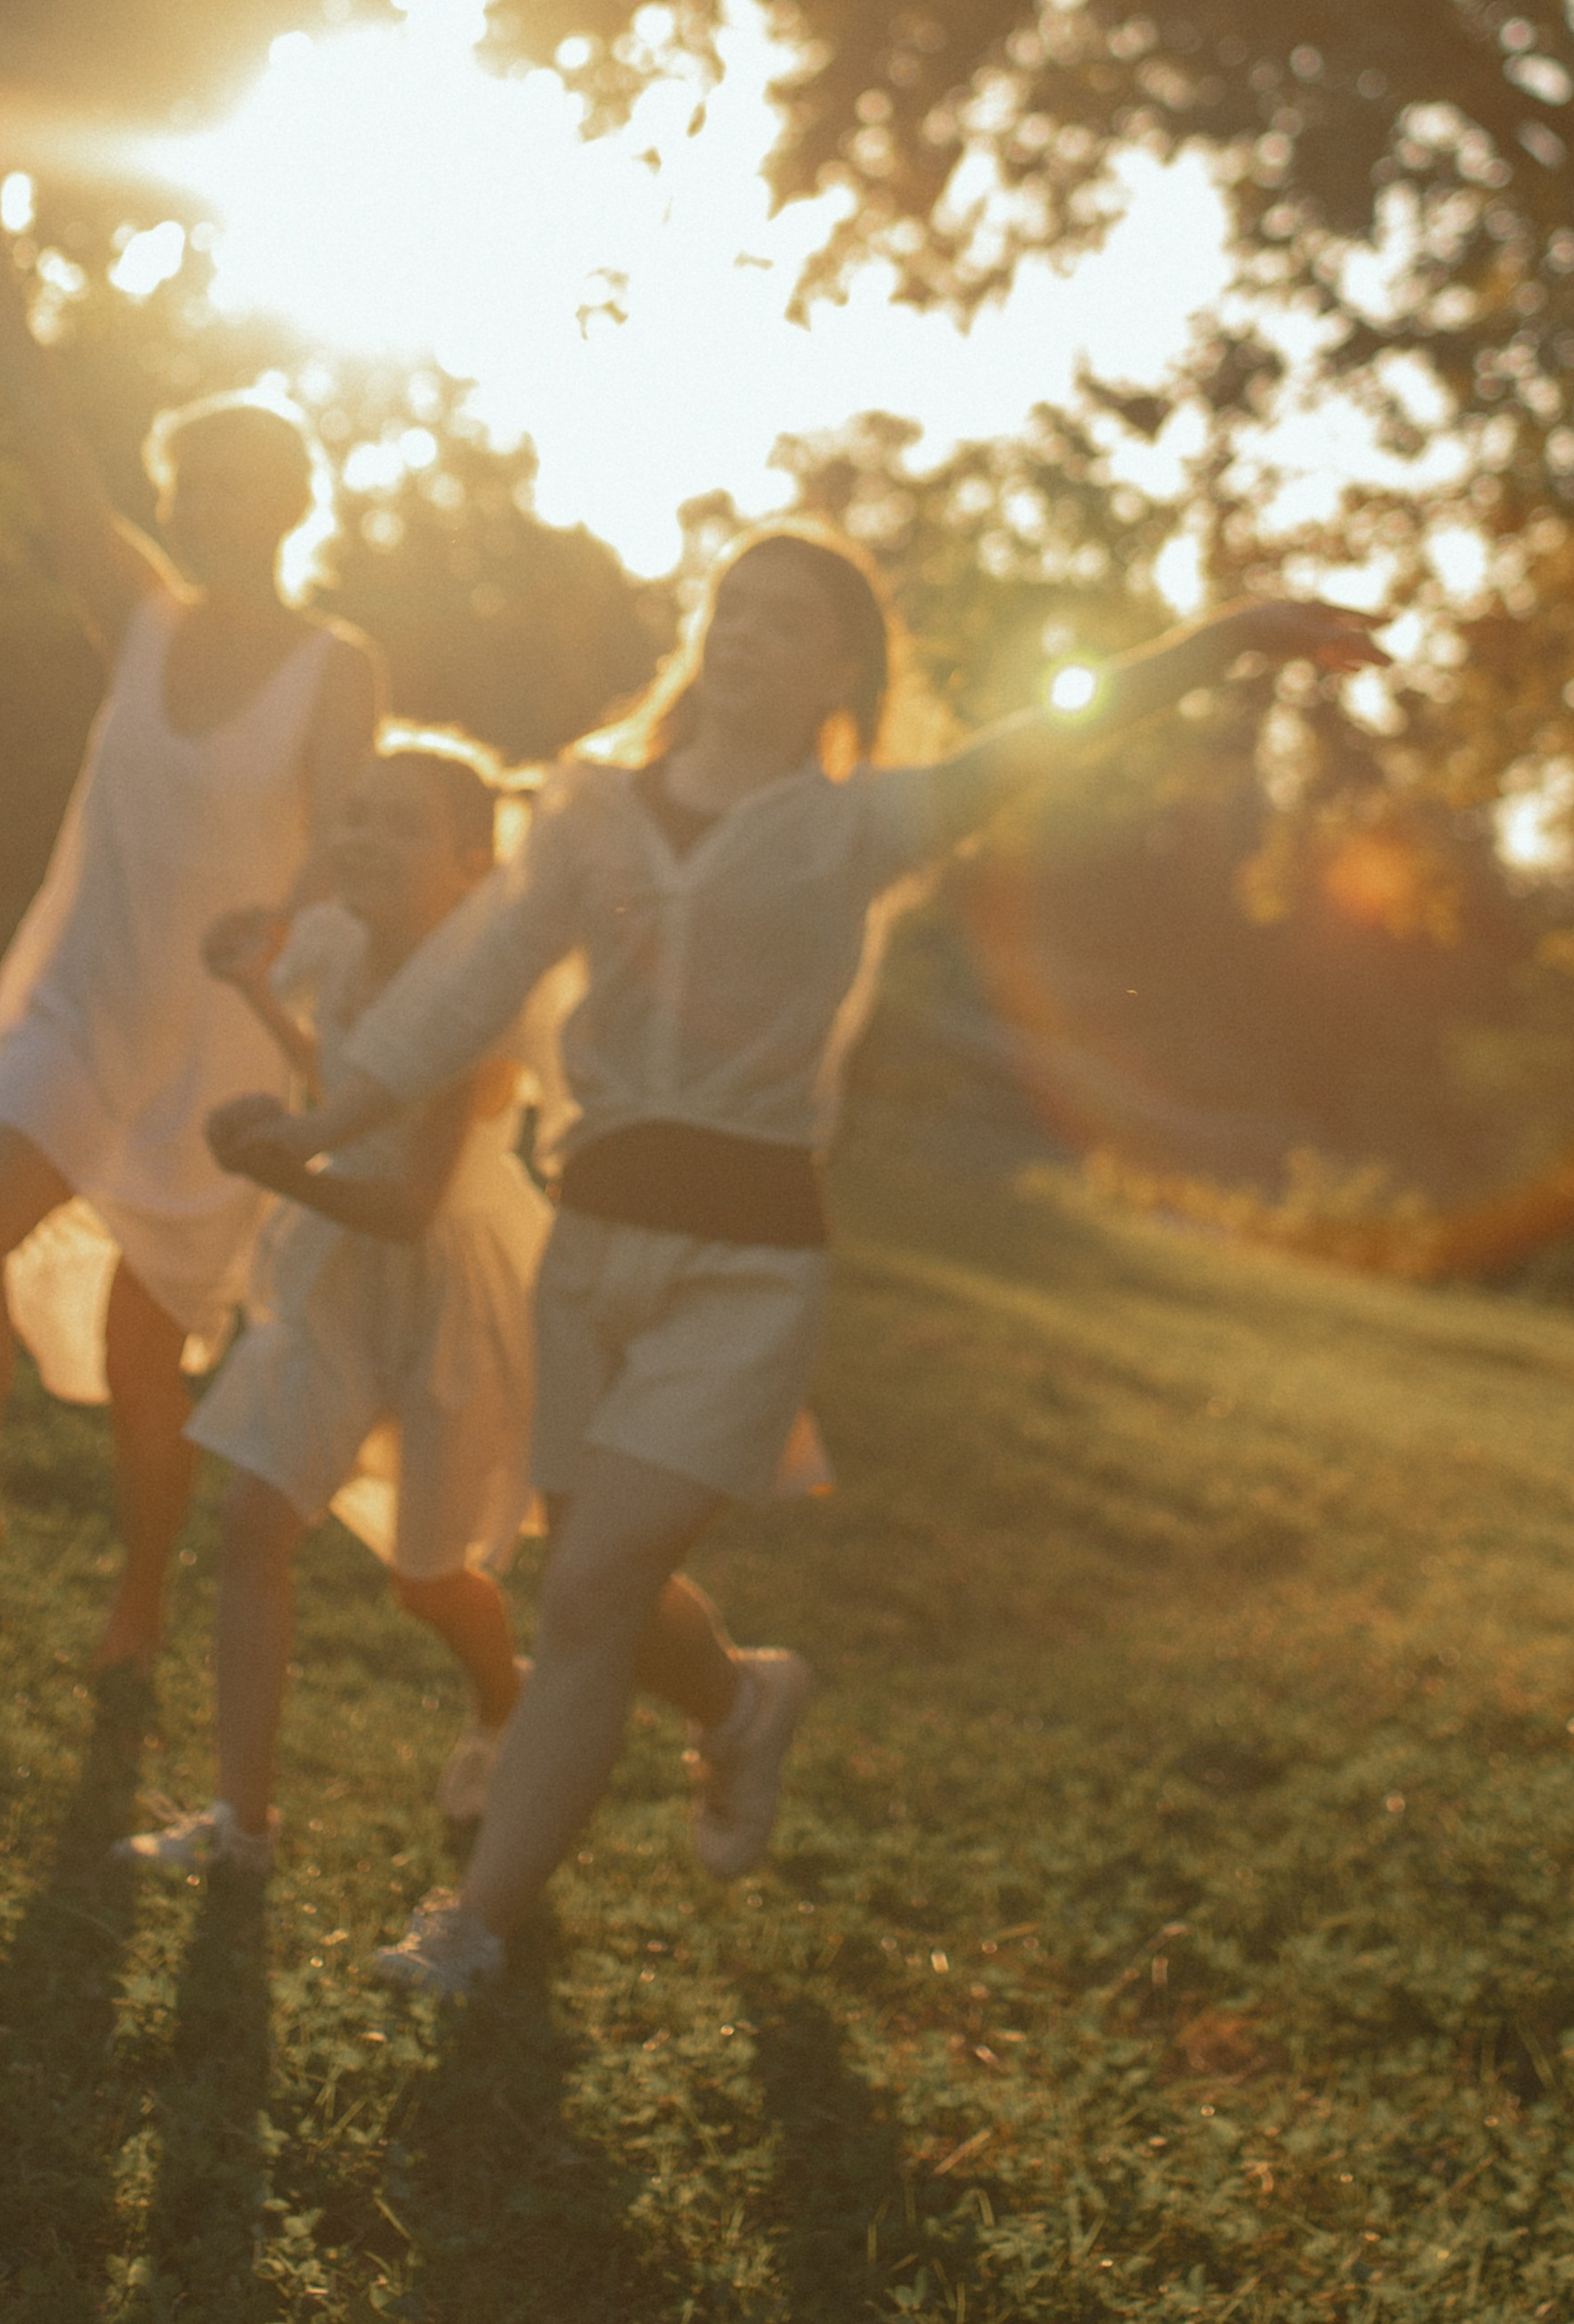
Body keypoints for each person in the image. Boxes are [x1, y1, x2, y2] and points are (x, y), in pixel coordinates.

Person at [215, 522, 1383, 1996]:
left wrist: (1233, 634)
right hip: (589, 1246)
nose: (748, 634)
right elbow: (472, 977)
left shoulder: (866, 822)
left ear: (842, 669)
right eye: (733, 607)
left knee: (587, 1596)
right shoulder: (587, 808)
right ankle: (744, 1702)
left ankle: (475, 1927)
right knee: (600, 1587)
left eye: (788, 620)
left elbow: (1055, 733)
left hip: (748, 1267)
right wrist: (322, 1122)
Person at [0, 196, 378, 1670]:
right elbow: (49, 453)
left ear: (293, 504)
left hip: (218, 1057)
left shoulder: (336, 665)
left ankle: (139, 1603)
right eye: (190, 483)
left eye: (240, 486)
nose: (211, 506)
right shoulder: (137, 616)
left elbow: (349, 847)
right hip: (83, 1002)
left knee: (149, 1365)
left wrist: (286, 919)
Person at [117, 737, 550, 1875]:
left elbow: (408, 1204)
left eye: (403, 824)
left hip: (446, 1287)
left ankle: (506, 1702)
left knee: (428, 1579)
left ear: (471, 867)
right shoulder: (352, 948)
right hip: (338, 1278)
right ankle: (242, 1825)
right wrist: (260, 999)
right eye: (357, 815)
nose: (365, 839)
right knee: (253, 1523)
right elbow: (347, 1087)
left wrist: (275, 1166)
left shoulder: (474, 997)